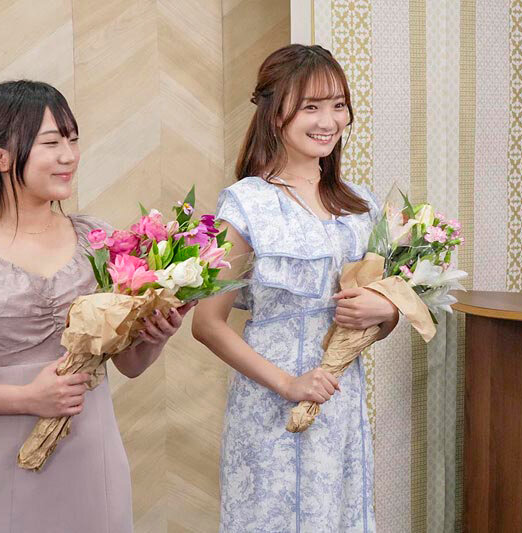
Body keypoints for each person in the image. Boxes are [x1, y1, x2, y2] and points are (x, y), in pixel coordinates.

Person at [0, 80, 192, 532]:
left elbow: (129, 365)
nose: (69, 156)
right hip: (4, 457)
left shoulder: (97, 240)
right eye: (52, 143)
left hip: (93, 454)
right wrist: (27, 398)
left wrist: (156, 335)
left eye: (73, 140)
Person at [192, 44, 399, 532]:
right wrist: (288, 384)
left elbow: (376, 322)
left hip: (340, 402)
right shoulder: (246, 203)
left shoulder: (361, 205)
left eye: (338, 105)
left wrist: (385, 312)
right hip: (271, 404)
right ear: (275, 111)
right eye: (311, 107)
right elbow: (206, 324)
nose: (329, 121)